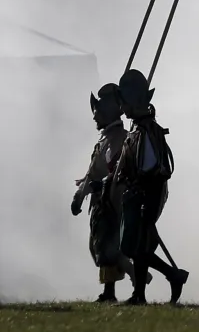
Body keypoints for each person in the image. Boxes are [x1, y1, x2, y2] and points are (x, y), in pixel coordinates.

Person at [107, 69, 189, 305]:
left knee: (138, 245)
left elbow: (153, 169)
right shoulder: (137, 130)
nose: (122, 108)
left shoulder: (147, 131)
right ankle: (164, 281)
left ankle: (151, 288)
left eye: (125, 102)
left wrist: (144, 198)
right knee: (135, 246)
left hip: (146, 192)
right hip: (136, 192)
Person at [71, 83, 140, 302]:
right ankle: (113, 290)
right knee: (101, 247)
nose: (94, 118)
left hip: (112, 201)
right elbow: (95, 170)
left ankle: (133, 279)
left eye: (98, 112)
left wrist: (95, 187)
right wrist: (82, 190)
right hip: (103, 200)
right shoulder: (107, 137)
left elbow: (115, 171)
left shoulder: (119, 137)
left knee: (108, 247)